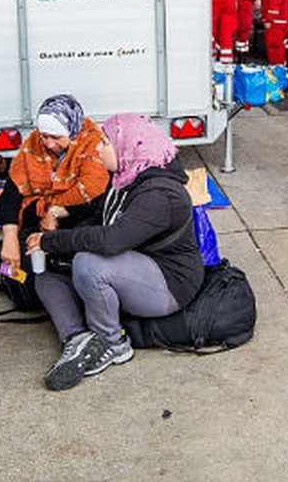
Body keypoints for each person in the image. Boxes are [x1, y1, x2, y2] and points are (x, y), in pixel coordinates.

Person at [26, 113, 204, 391]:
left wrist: (55, 241)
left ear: (129, 145)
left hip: (168, 286)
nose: (98, 149)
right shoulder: (126, 178)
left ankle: (112, 342)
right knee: (45, 273)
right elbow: (99, 216)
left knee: (89, 264)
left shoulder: (161, 194)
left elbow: (112, 240)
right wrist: (55, 233)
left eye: (105, 142)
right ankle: (77, 339)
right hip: (134, 268)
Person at [0, 94, 111, 284]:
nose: (49, 144)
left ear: (72, 130)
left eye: (56, 137)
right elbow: (11, 193)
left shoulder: (94, 145)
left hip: (79, 222)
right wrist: (10, 238)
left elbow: (96, 195)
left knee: (53, 274)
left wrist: (56, 212)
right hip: (38, 221)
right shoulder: (34, 143)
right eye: (44, 137)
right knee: (12, 268)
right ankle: (17, 282)